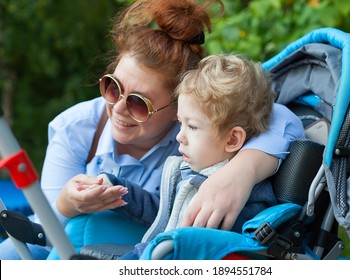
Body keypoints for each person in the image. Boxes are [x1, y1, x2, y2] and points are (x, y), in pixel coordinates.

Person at [0, 0, 304, 260]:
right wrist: (66, 204)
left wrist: (241, 171)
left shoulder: (198, 134)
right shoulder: (75, 129)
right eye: (112, 86)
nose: (118, 107)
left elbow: (284, 119)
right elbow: (41, 235)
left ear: (179, 107)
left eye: (139, 103)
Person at [105, 53, 279, 259]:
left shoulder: (242, 200)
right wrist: (118, 190)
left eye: (192, 127)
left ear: (232, 140)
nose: (180, 136)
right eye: (181, 123)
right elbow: (163, 214)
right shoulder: (189, 171)